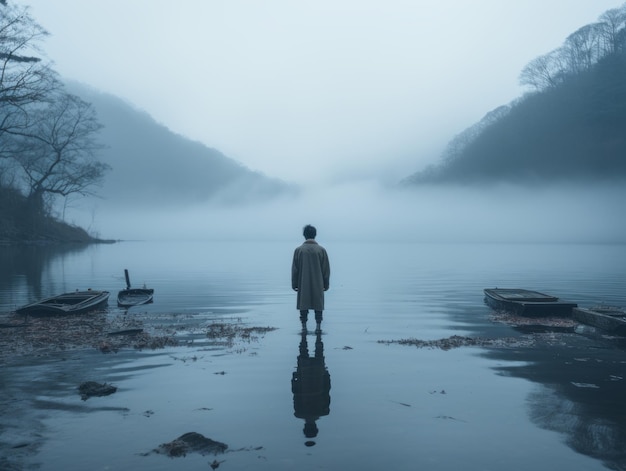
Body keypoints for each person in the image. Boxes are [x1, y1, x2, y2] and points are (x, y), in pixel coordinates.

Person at [291, 224, 330, 333]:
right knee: (319, 306)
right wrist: (326, 284)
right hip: (318, 283)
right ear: (315, 235)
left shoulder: (299, 250)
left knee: (303, 306)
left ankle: (304, 328)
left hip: (303, 283)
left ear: (304, 235)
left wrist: (294, 284)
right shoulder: (321, 250)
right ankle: (318, 327)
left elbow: (295, 269)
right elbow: (326, 270)